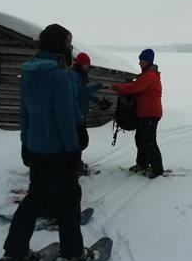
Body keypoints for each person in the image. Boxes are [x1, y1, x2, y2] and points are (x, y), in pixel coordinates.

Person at [1, 23, 93, 261]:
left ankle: (15, 251)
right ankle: (73, 254)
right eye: (69, 44)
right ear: (61, 46)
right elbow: (65, 119)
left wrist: (25, 143)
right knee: (69, 199)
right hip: (60, 150)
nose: (71, 49)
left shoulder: (28, 72)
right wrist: (73, 150)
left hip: (36, 147)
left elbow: (25, 114)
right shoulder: (59, 76)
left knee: (35, 198)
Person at [111, 48, 164, 179]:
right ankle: (142, 164)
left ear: (149, 61)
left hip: (150, 114)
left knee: (149, 141)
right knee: (140, 140)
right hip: (144, 114)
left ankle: (157, 169)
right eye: (140, 60)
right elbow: (136, 85)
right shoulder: (146, 75)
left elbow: (135, 88)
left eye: (143, 60)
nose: (140, 62)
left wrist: (116, 86)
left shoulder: (150, 76)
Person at [69, 52, 109, 174]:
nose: (88, 67)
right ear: (80, 64)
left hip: (81, 114)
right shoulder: (74, 76)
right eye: (86, 65)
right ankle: (74, 166)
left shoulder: (81, 76)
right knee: (79, 141)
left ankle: (76, 163)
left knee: (79, 141)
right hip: (75, 115)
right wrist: (98, 86)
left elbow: (84, 94)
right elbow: (81, 92)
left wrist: (97, 100)